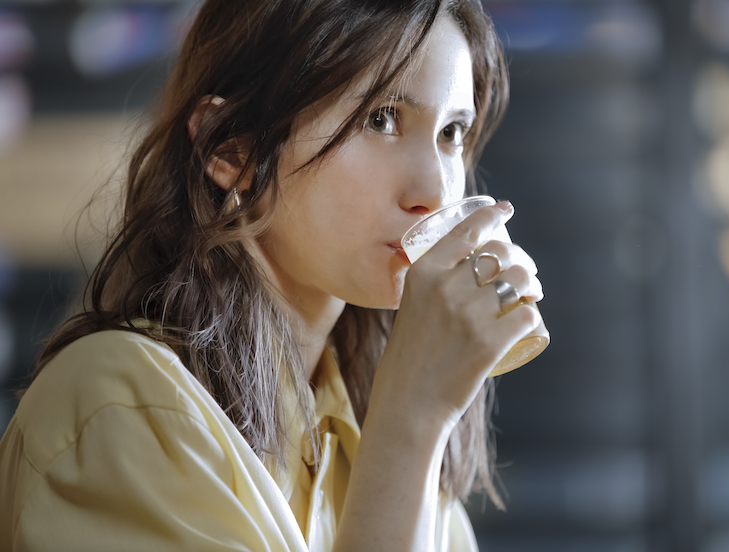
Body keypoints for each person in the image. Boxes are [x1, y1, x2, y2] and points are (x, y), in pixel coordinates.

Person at [0, 0, 543, 550]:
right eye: (382, 118)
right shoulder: (121, 410)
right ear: (231, 147)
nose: (434, 191)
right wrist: (414, 418)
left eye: (451, 133)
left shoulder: (362, 432)